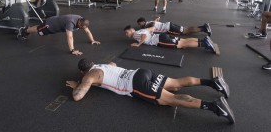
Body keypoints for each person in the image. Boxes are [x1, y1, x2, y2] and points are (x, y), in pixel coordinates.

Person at [66, 59, 235, 124]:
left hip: (136, 84)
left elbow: (78, 96)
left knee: (172, 99)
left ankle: (214, 106)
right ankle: (213, 82)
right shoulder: (103, 65)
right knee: (176, 84)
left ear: (83, 71)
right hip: (141, 72)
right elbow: (113, 65)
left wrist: (79, 85)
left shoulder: (89, 76)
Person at [17, 14, 100, 55]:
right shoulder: (70, 22)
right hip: (50, 25)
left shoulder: (81, 20)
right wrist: (72, 50)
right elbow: (70, 37)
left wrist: (92, 40)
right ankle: (25, 31)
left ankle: (27, 28)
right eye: (82, 28)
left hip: (55, 25)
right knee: (38, 30)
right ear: (79, 23)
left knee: (38, 27)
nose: (83, 29)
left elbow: (87, 31)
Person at [123, 25, 216, 53]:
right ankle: (203, 41)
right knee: (183, 41)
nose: (127, 35)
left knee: (182, 44)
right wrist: (150, 34)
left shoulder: (135, 34)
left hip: (161, 40)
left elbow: (144, 36)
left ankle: (204, 44)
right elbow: (152, 28)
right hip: (162, 36)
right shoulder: (140, 30)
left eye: (127, 32)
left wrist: (138, 44)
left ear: (132, 30)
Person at [136, 17, 211, 36]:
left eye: (140, 24)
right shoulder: (148, 23)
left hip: (169, 28)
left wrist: (150, 30)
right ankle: (203, 27)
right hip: (168, 25)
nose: (139, 26)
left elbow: (153, 24)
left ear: (143, 22)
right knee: (186, 29)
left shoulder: (147, 25)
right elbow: (154, 22)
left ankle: (204, 29)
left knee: (185, 31)